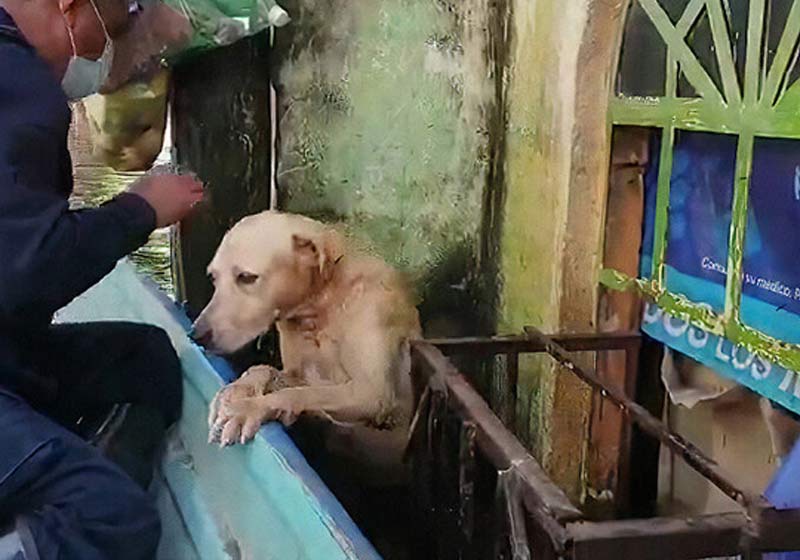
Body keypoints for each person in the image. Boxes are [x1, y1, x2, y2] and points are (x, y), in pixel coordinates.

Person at [0, 0, 204, 558]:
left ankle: (47, 479)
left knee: (143, 360)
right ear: (67, 6)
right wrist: (140, 212)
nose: (105, 52)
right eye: (107, 31)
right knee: (110, 517)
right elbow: (25, 269)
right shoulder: (20, 83)